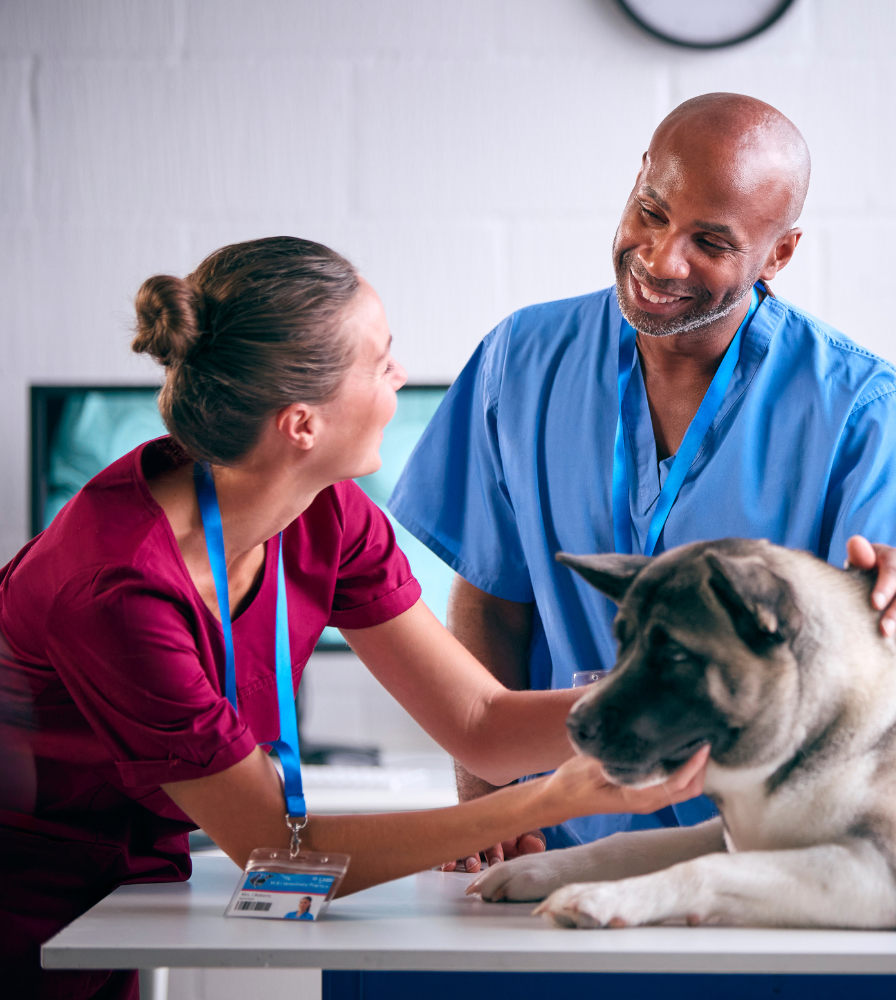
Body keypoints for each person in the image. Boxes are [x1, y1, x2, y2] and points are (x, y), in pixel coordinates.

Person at [0, 237, 709, 1000]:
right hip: (26, 900)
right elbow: (275, 847)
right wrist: (556, 797)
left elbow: (479, 718)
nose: (399, 377)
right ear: (302, 424)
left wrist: (683, 702)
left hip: (127, 885)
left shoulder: (327, 513)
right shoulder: (119, 590)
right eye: (381, 362)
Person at [388, 92, 896, 862]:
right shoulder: (521, 360)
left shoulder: (860, 409)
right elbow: (494, 604)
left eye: (712, 241)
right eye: (652, 211)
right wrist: (489, 808)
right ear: (638, 178)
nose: (663, 258)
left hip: (763, 860)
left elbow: (875, 665)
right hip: (553, 845)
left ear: (780, 255)